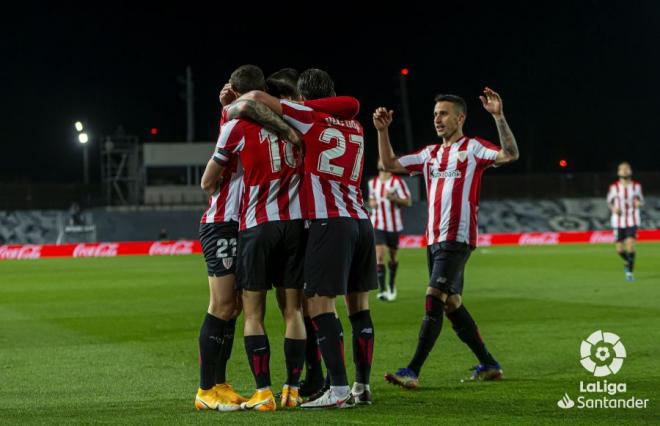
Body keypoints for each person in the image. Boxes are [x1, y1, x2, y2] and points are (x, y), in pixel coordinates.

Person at [230, 68, 378, 408]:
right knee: (359, 308)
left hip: (330, 221)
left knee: (317, 305)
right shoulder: (354, 126)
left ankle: (337, 388)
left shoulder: (310, 117)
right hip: (361, 220)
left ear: (305, 98)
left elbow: (253, 99)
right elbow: (351, 106)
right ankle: (361, 386)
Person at [373, 87, 519, 388]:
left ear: (460, 118)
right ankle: (490, 364)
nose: (437, 119)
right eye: (435, 115)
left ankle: (412, 370)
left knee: (433, 298)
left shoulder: (473, 149)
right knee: (452, 303)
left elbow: (510, 154)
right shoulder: (430, 154)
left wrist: (499, 116)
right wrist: (382, 131)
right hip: (434, 238)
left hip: (457, 236)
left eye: (443, 114)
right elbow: (389, 164)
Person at [214, 65, 309, 412]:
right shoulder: (301, 128)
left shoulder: (239, 126)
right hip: (295, 225)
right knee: (293, 311)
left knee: (253, 313)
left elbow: (215, 173)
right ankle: (293, 390)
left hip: (257, 225)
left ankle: (264, 392)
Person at [194, 67, 259, 411]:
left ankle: (219, 383)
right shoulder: (240, 128)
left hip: (240, 224)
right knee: (221, 305)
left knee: (233, 308)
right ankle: (205, 390)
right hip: (222, 222)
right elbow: (207, 182)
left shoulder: (244, 127)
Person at [368, 160, 412, 301]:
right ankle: (382, 291)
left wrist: (392, 197)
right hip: (377, 224)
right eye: (380, 159)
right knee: (379, 256)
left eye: (383, 159)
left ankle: (391, 285)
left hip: (394, 226)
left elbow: (408, 202)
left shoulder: (397, 182)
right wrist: (372, 203)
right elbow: (371, 200)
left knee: (392, 257)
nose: (381, 161)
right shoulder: (372, 183)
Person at [607, 161, 644, 281]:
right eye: (622, 169)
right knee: (619, 249)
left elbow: (642, 201)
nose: (624, 171)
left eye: (627, 168)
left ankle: (629, 273)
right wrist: (614, 208)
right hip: (618, 221)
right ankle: (628, 262)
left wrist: (639, 204)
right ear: (618, 172)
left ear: (631, 171)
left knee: (630, 245)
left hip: (632, 220)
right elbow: (609, 202)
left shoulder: (636, 186)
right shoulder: (614, 187)